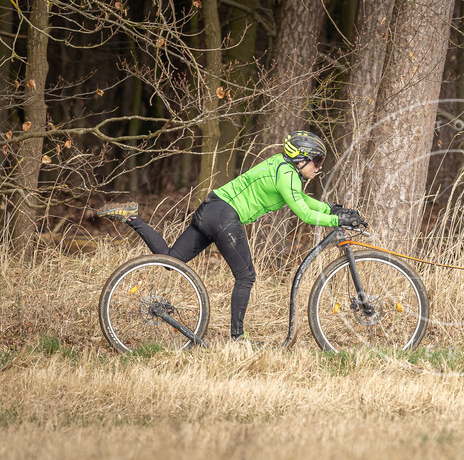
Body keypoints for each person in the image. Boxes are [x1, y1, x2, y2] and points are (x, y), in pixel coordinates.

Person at [98, 130, 364, 342]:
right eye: (317, 161)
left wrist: (331, 208)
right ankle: (237, 338)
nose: (319, 167)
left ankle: (132, 218)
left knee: (171, 260)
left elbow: (301, 199)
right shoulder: (286, 174)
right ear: (301, 159)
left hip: (211, 209)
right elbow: (303, 213)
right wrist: (337, 219)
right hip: (225, 217)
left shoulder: (282, 167)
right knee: (246, 276)